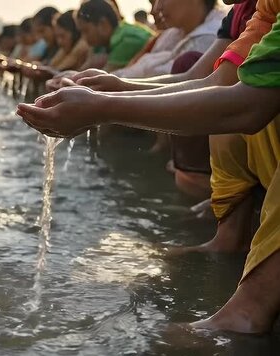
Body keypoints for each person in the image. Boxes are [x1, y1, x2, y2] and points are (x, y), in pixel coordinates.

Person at [16, 13, 280, 334]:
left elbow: (247, 105)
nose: (156, 7)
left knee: (230, 111)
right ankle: (229, 236)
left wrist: (103, 107)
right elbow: (215, 82)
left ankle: (249, 311)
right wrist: (114, 90)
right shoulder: (256, 10)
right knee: (229, 108)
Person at [76, 0, 154, 72]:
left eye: (86, 31)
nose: (83, 37)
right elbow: (87, 67)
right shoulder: (104, 42)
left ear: (103, 24)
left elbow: (105, 77)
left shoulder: (127, 39)